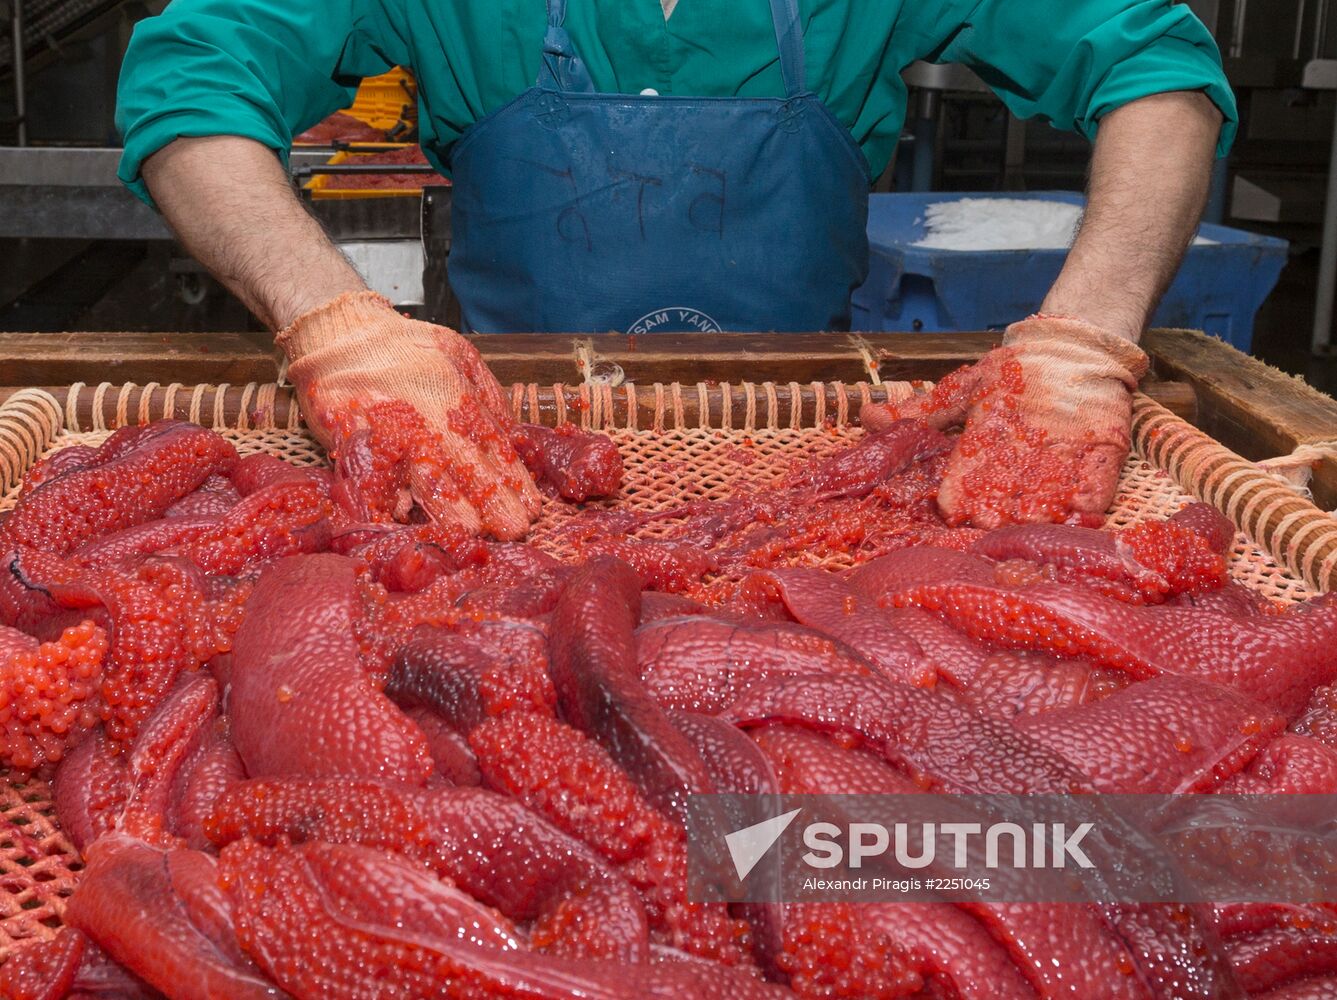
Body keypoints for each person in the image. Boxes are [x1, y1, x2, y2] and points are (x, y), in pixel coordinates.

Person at [115, 0, 1234, 537]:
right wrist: (330, 321)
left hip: (819, 458)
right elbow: (191, 82)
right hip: (492, 461)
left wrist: (1086, 334)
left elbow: (1158, 71)